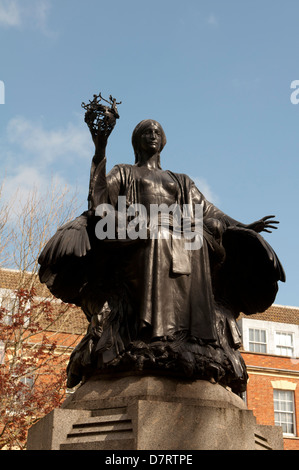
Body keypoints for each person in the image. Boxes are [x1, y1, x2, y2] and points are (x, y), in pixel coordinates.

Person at [38, 119, 285, 394]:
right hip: (136, 236)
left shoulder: (180, 180)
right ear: (137, 140)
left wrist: (244, 226)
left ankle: (194, 335)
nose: (152, 136)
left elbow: (210, 212)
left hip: (177, 233)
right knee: (159, 234)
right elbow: (98, 201)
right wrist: (100, 149)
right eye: (146, 132)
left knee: (199, 238)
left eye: (157, 132)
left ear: (163, 140)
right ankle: (150, 330)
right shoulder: (125, 172)